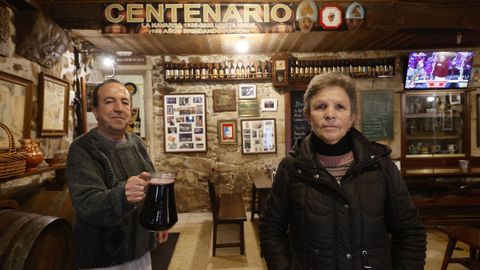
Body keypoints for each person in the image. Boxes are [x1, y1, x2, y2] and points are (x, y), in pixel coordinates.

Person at [259, 73, 426, 269]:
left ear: (352, 117)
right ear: (307, 115)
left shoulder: (380, 165)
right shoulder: (291, 167)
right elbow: (271, 230)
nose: (330, 114)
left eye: (340, 107)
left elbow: (409, 231)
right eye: (320, 107)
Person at [66, 79, 168, 269]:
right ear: (95, 110)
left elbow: (151, 184)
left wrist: (159, 219)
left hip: (141, 252)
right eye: (109, 101)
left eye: (125, 102)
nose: (119, 108)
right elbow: (87, 204)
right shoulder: (82, 149)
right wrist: (123, 195)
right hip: (102, 261)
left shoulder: (136, 143)